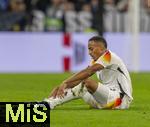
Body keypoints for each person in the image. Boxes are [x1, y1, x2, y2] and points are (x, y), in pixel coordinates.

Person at [43, 36, 133, 109]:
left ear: (101, 49)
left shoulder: (109, 56)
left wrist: (65, 82)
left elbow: (88, 72)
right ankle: (49, 102)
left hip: (120, 100)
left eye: (91, 49)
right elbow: (81, 77)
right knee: (81, 86)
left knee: (86, 82)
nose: (89, 53)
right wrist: (62, 87)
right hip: (106, 100)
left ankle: (51, 103)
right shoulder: (96, 61)